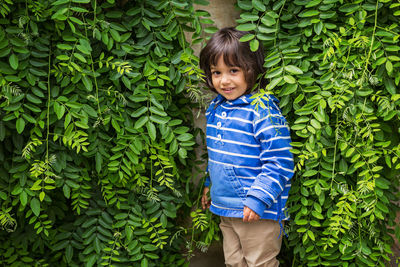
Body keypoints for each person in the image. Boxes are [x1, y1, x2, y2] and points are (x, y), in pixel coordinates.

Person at [199, 27, 294, 267]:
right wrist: (210, 186)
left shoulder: (262, 110)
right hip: (225, 207)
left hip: (255, 210)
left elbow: (279, 161)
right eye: (216, 72)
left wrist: (258, 198)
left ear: (252, 70)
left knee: (259, 262)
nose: (224, 80)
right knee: (234, 262)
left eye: (233, 70)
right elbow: (219, 157)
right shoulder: (217, 108)